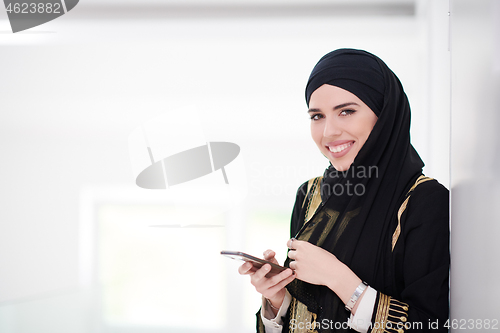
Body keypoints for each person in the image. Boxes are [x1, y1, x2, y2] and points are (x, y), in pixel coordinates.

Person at [238, 49, 450, 333]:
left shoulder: (423, 200)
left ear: (384, 114)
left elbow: (430, 326)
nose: (328, 132)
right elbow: (308, 316)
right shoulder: (310, 195)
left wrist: (339, 279)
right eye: (317, 116)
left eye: (346, 111)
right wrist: (277, 299)